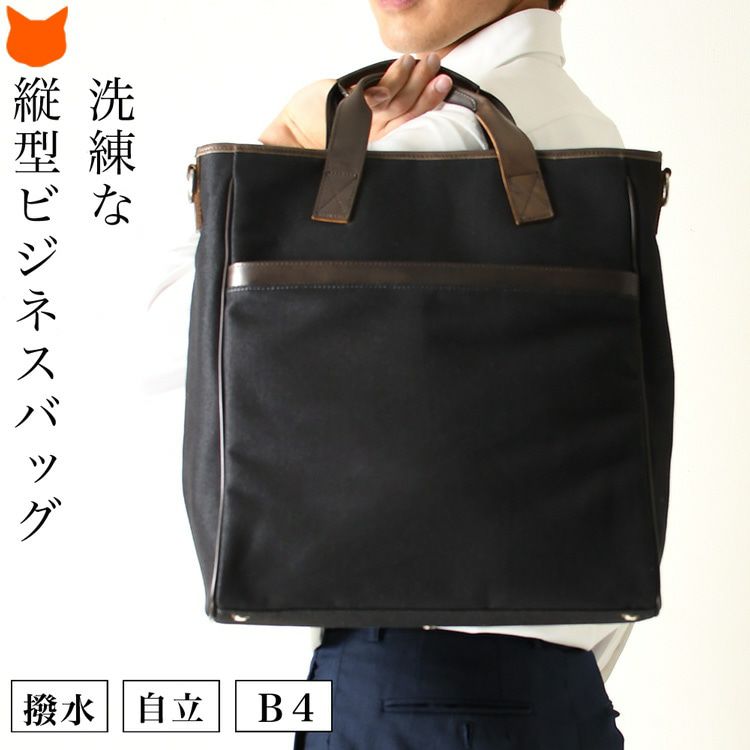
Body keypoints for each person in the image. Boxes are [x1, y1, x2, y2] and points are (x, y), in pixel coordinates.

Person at [146, 1, 630, 747]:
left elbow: (159, 345)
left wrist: (284, 142)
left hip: (411, 691)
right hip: (555, 698)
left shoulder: (434, 142)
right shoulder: (586, 131)